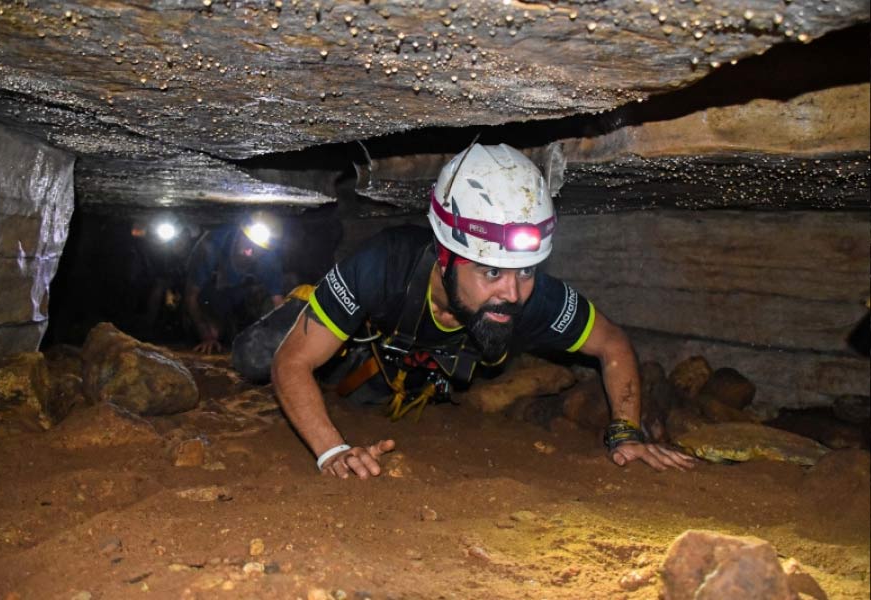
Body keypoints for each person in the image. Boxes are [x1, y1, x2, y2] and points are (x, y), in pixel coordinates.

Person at [244, 144, 695, 478]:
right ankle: (292, 307)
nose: (514, 293)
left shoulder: (531, 295)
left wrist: (626, 433)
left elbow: (613, 344)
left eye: (526, 272)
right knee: (257, 355)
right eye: (491, 273)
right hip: (363, 351)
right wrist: (331, 450)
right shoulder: (384, 265)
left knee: (377, 401)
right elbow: (294, 362)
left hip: (420, 378)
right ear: (445, 257)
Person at [185, 215, 285, 354]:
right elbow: (191, 296)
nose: (251, 250)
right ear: (239, 232)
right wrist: (206, 336)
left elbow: (278, 303)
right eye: (248, 241)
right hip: (210, 297)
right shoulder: (212, 245)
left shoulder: (269, 260)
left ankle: (239, 329)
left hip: (241, 300)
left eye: (258, 248)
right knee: (214, 332)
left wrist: (286, 342)